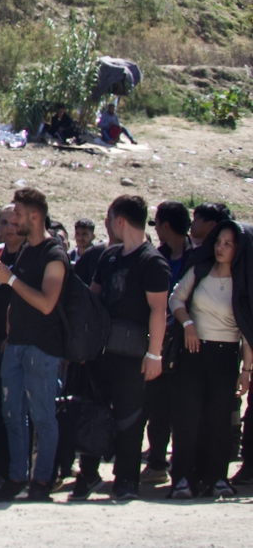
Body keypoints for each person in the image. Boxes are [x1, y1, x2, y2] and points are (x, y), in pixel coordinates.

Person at [70, 195, 169, 502]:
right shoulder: (108, 258)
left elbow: (158, 310)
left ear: (120, 221)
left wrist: (154, 354)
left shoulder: (152, 262)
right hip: (101, 354)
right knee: (92, 414)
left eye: (111, 217)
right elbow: (93, 300)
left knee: (129, 420)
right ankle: (87, 476)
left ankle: (126, 481)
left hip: (133, 358)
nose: (108, 222)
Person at [0, 187, 67, 501]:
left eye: (17, 214)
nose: (13, 219)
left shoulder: (53, 254)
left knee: (43, 415)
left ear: (34, 216)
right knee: (11, 414)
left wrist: (12, 281)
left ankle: (42, 481)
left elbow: (47, 303)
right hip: (16, 346)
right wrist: (9, 331)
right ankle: (17, 476)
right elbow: (13, 303)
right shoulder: (26, 251)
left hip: (42, 348)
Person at [170, 220, 251, 499]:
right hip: (194, 351)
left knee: (219, 421)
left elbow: (247, 329)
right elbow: (176, 299)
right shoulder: (200, 270)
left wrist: (247, 369)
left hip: (226, 356)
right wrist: (188, 324)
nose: (220, 247)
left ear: (238, 249)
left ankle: (217, 478)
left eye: (228, 244)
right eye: (218, 242)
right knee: (188, 418)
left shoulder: (244, 282)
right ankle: (181, 477)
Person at [144, 200, 192, 483]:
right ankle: (157, 462)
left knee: (184, 407)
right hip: (161, 342)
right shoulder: (157, 257)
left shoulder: (197, 258)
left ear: (165, 226)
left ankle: (183, 466)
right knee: (157, 404)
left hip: (189, 343)